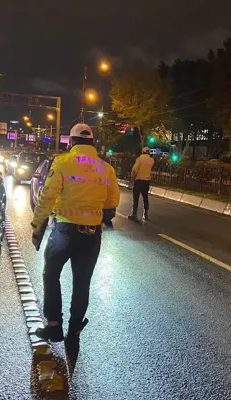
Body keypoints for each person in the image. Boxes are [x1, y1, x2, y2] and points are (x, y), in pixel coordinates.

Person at [31, 123, 120, 342]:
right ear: (92, 143)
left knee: (51, 274)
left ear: (71, 142)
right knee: (82, 282)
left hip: (64, 231)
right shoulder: (105, 168)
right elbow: (113, 201)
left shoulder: (62, 163)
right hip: (91, 235)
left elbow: (47, 196)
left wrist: (37, 223)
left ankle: (54, 326)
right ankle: (75, 330)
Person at [128, 147, 155, 221]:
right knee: (145, 198)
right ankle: (145, 214)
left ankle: (134, 214)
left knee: (136, 198)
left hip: (139, 180)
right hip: (147, 181)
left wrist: (133, 177)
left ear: (142, 152)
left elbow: (134, 170)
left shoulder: (140, 159)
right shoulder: (152, 160)